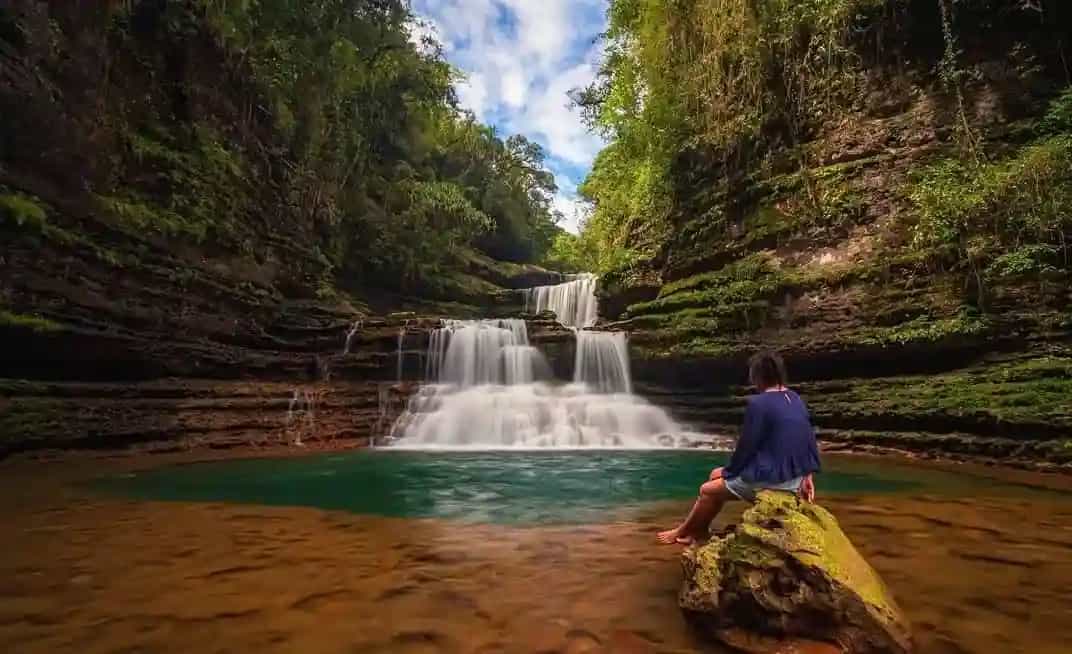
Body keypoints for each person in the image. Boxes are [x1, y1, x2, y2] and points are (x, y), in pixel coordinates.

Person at [657, 350, 821, 545]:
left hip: (773, 480)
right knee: (714, 474)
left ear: (757, 376)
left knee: (707, 489)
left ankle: (683, 531)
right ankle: (698, 530)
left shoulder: (759, 404)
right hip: (795, 477)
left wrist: (731, 471)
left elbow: (747, 446)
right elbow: (807, 437)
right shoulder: (794, 398)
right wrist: (807, 475)